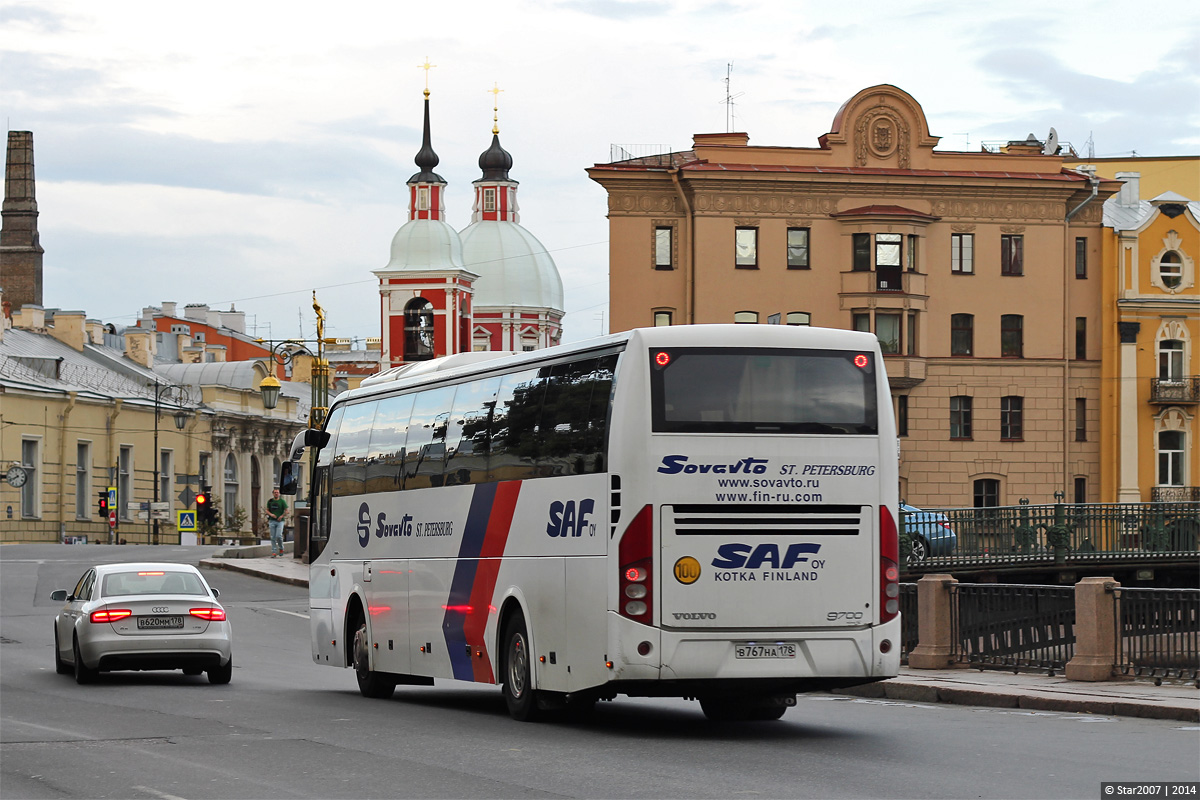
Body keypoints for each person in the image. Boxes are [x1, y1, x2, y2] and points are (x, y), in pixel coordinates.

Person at [266, 488, 288, 557]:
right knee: (273, 537)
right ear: (273, 493)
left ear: (279, 494)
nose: (276, 493)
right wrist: (271, 514)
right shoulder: (270, 501)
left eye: (277, 492)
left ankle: (281, 548)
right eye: (275, 492)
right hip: (272, 520)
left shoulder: (282, 501)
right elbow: (267, 510)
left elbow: (287, 511)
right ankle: (274, 552)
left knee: (279, 535)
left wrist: (281, 516)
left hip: (280, 521)